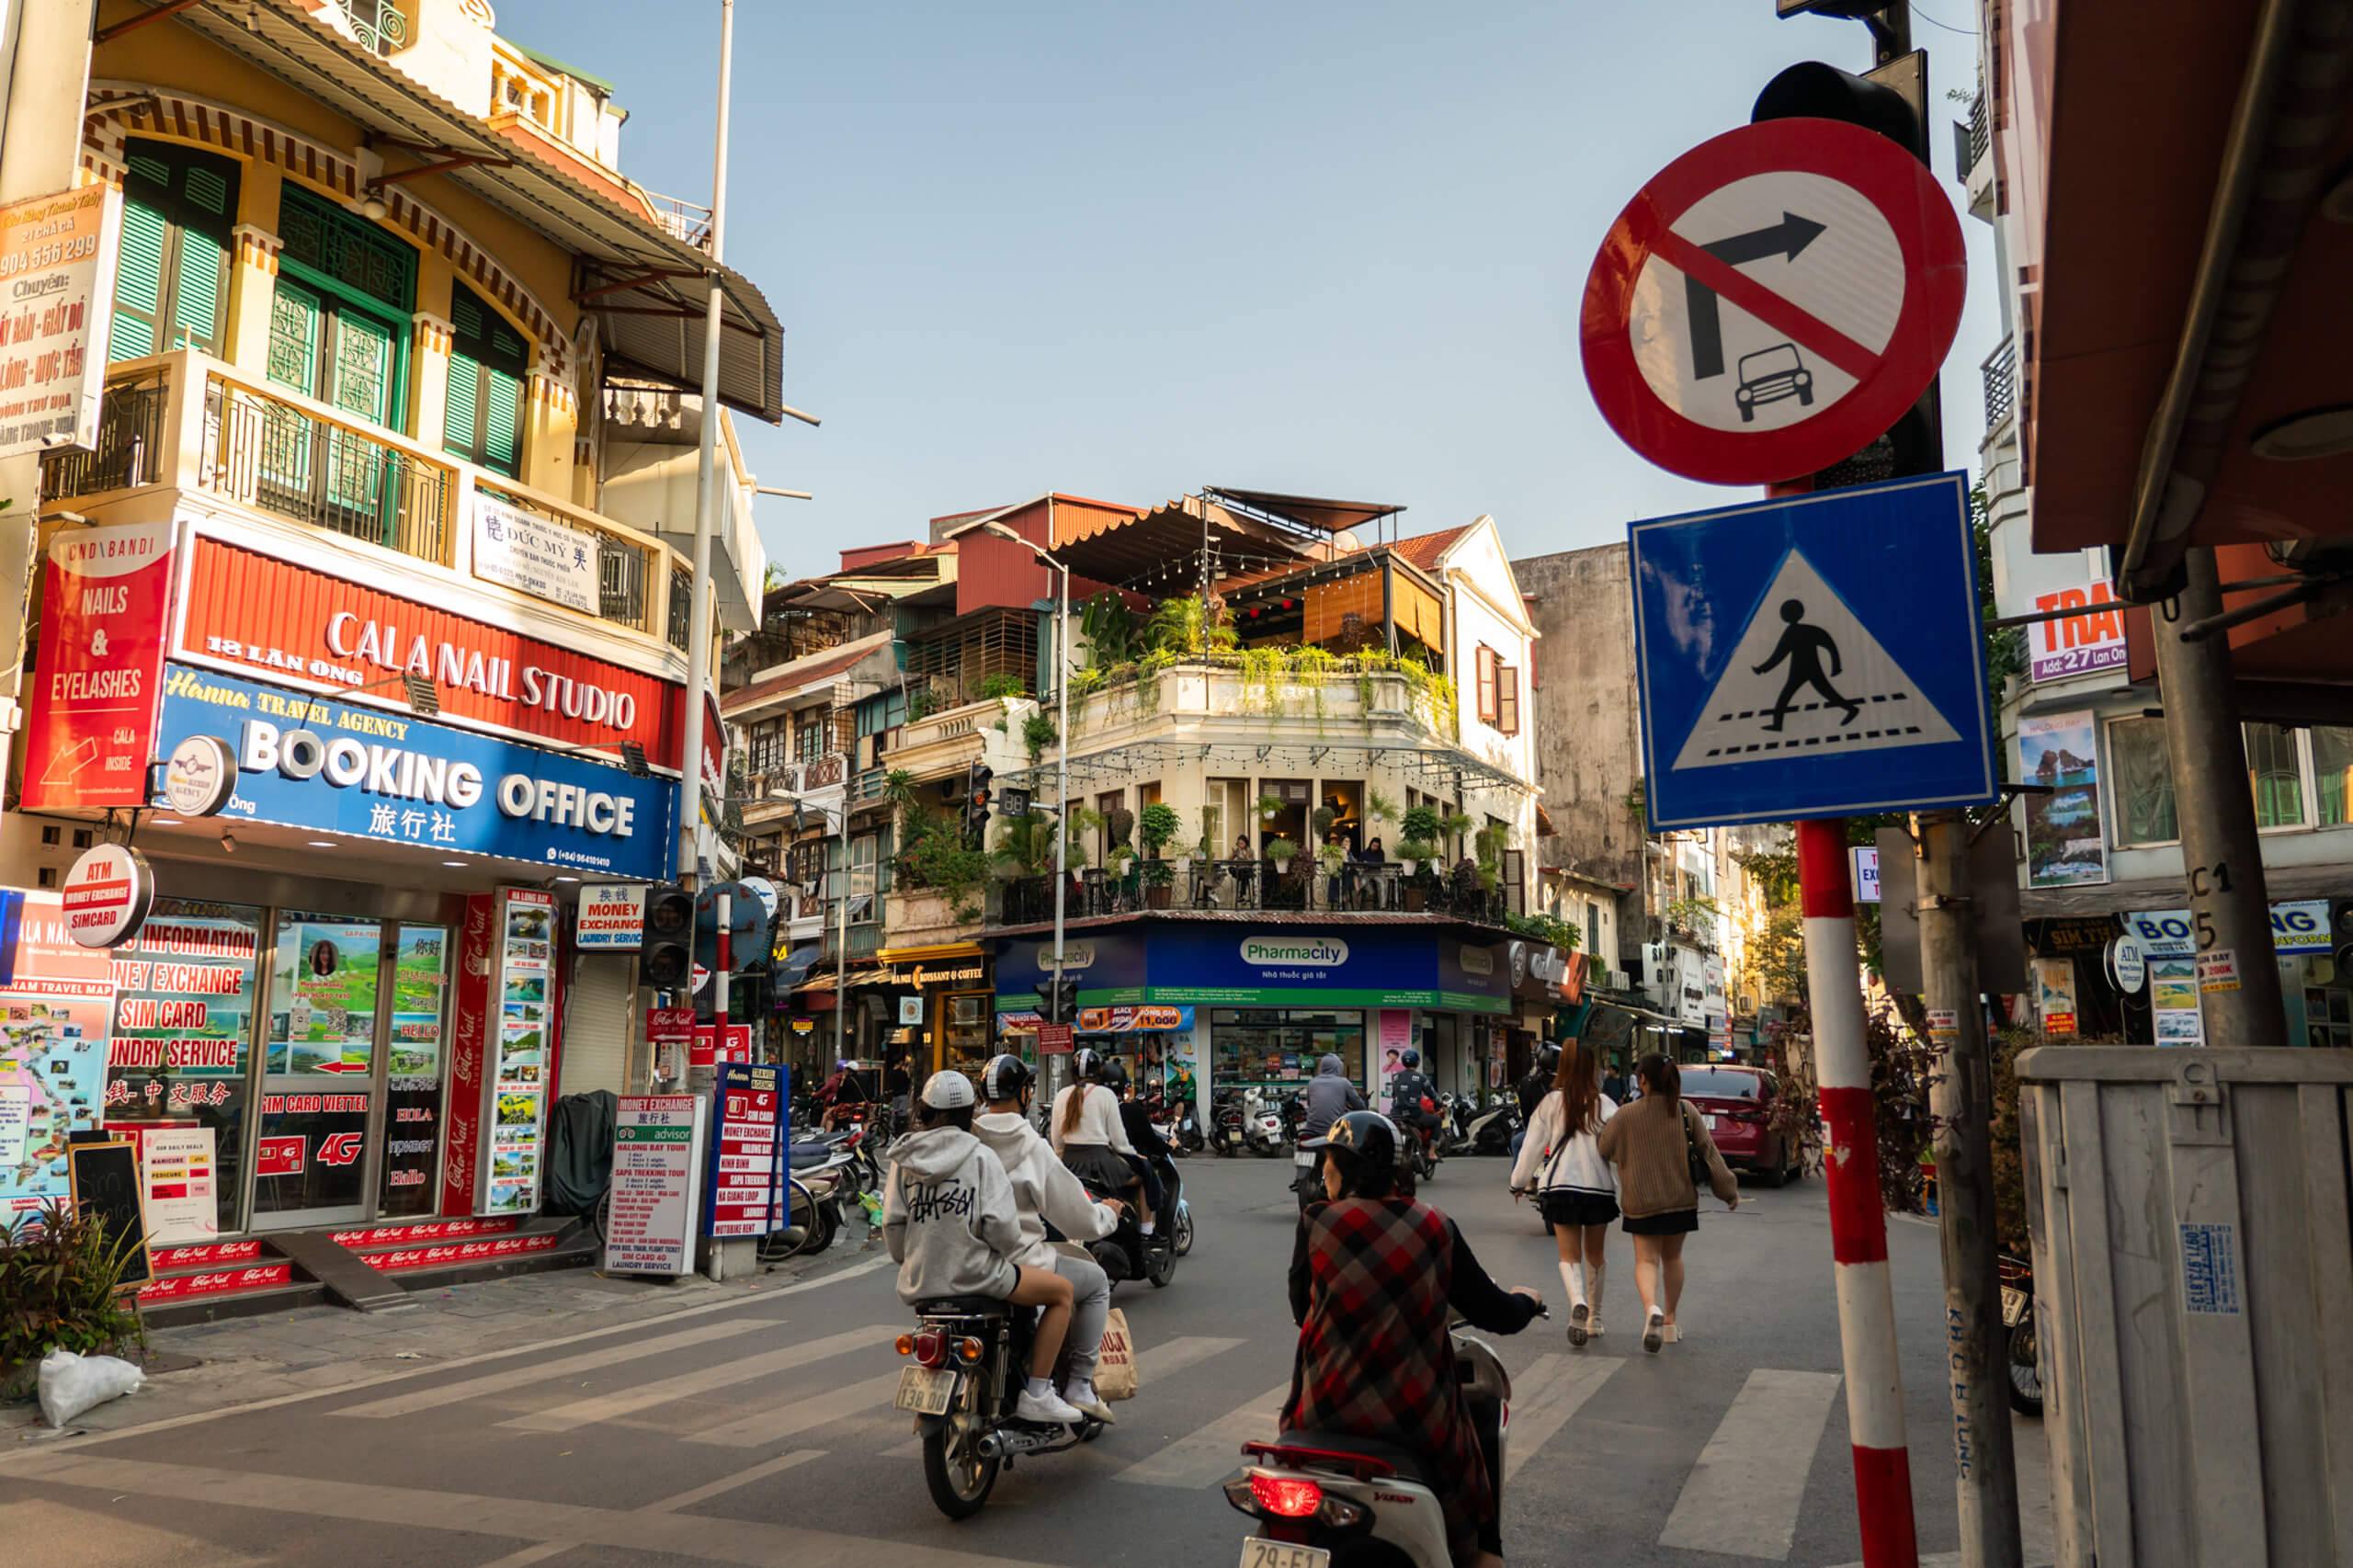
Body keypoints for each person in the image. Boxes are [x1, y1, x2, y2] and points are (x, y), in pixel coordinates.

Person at [1286, 1111, 1542, 1568]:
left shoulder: (1315, 1223)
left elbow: (1300, 1309)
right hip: (1414, 1424)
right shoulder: (1434, 1226)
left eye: (1328, 1161)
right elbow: (1495, 1312)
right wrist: (1525, 1302)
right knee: (1479, 1481)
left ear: (1348, 1171)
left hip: (1318, 1413)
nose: (1322, 1171)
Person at [882, 1071, 1086, 1424]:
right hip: (981, 1278)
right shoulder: (981, 1157)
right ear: (969, 1112)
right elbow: (1005, 1233)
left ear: (925, 1110)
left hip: (920, 1284)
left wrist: (916, 1260)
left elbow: (892, 1226)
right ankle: (1038, 1393)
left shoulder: (904, 1160)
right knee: (1063, 1293)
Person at [972, 1054, 1125, 1423]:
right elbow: (1076, 1215)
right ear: (1024, 1094)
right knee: (1096, 1282)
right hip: (1020, 1262)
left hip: (967, 1261)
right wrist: (1108, 1215)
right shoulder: (1028, 1145)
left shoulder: (967, 1140)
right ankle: (1077, 1385)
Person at [1597, 1053, 1738, 1353]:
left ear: (1643, 1079)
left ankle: (1652, 1310)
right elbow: (1710, 1154)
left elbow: (1604, 1147)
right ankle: (1671, 1322)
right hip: (1680, 1199)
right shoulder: (1686, 1111)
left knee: (1646, 1259)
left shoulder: (1625, 1114)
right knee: (1673, 1257)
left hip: (1641, 1200)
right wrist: (1729, 1191)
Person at [1508, 1040, 1619, 1346]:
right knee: (1596, 1256)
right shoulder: (1606, 1105)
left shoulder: (1550, 1103)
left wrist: (1518, 1182)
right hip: (1599, 1190)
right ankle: (1594, 1320)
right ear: (1591, 1069)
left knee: (1568, 1256)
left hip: (1560, 1188)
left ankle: (1577, 1303)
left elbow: (1530, 1148)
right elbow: (1619, 1151)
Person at [1051, 1050, 1150, 1233]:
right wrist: (1136, 1156)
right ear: (1100, 1073)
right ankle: (1147, 1231)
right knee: (1146, 1174)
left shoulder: (1062, 1095)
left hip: (1069, 1163)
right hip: (1102, 1164)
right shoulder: (1106, 1095)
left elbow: (1057, 1141)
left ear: (1072, 1074)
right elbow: (1120, 1142)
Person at [1098, 1059, 1168, 1231]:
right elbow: (1149, 1140)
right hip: (1117, 1169)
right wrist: (1169, 1145)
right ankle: (1147, 1230)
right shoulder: (1131, 1111)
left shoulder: (1090, 1110)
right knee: (1147, 1174)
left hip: (1091, 1168)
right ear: (1124, 1087)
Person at [1291, 1052, 1365, 1205]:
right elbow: (1358, 1105)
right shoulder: (1344, 1083)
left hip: (1310, 1131)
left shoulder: (1312, 1082)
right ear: (1338, 1067)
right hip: (1333, 1131)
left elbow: (1311, 1105)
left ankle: (1300, 1178)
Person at [1386, 1048, 1440, 1159]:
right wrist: (1440, 1102)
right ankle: (1431, 1152)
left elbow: (1393, 1094)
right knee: (1437, 1121)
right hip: (1414, 1115)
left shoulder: (1395, 1077)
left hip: (1395, 1115)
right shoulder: (1421, 1078)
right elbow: (1433, 1095)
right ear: (1417, 1062)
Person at [1509, 1043, 1560, 1156]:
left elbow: (1526, 1114)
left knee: (1516, 1142)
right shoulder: (1566, 1083)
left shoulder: (1528, 1083)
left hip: (1539, 1132)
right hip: (1563, 1133)